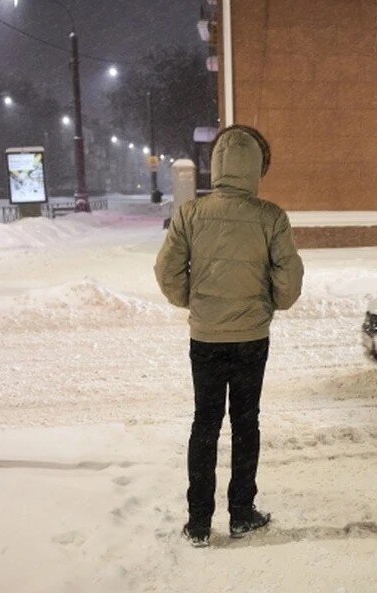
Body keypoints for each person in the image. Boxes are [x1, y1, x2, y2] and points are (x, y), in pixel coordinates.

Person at [154, 125, 304, 547]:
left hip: (205, 338)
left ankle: (199, 522)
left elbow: (166, 272)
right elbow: (288, 282)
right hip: (251, 337)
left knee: (205, 423)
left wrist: (194, 303)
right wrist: (269, 303)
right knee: (245, 422)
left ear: (215, 164)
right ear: (256, 167)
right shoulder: (270, 217)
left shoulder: (190, 214)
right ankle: (241, 513)